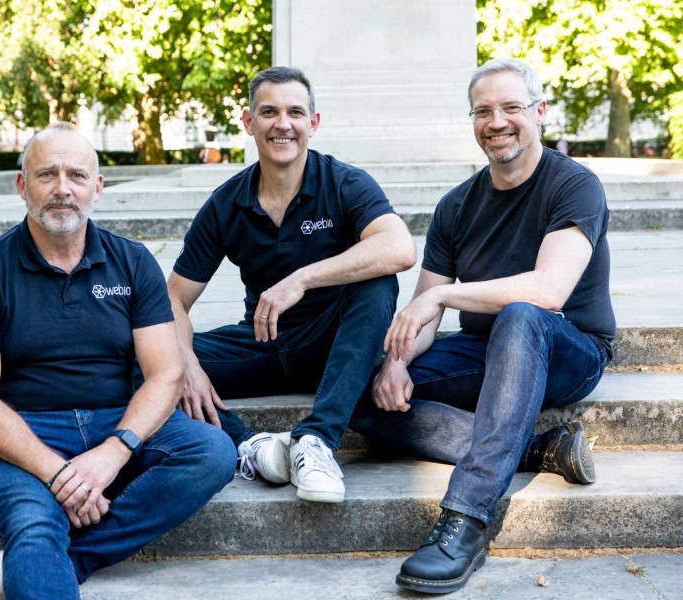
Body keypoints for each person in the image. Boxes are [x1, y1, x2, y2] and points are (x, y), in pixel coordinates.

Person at [350, 58, 615, 594]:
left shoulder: (574, 186)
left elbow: (547, 292)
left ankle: (467, 520)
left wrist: (447, 294)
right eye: (484, 111)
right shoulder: (456, 205)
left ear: (539, 112)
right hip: (485, 350)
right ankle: (539, 448)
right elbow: (425, 312)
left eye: (512, 107)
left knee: (522, 314)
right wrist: (397, 362)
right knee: (361, 393)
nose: (497, 121)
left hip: (570, 349)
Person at [0, 122, 236, 600]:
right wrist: (58, 474)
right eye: (47, 175)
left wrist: (115, 451)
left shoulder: (133, 262)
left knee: (213, 452)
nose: (63, 189)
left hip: (116, 419)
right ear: (23, 185)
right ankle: (43, 551)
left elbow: (166, 374)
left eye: (77, 176)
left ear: (97, 188)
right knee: (35, 527)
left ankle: (64, 558)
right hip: (22, 433)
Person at [167, 66, 416, 504]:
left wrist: (302, 279)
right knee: (141, 358)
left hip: (333, 344)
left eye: (295, 112)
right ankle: (252, 448)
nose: (283, 124)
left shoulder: (343, 182)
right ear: (249, 123)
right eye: (269, 112)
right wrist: (185, 362)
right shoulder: (226, 203)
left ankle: (317, 441)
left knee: (378, 283)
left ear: (313, 124)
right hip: (262, 344)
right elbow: (173, 299)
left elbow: (399, 247)